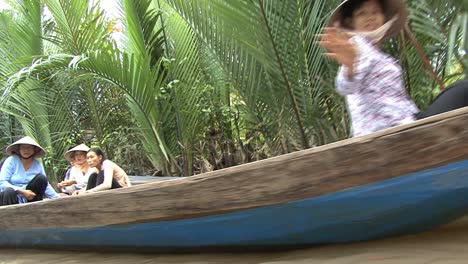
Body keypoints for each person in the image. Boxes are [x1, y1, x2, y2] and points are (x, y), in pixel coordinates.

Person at [319, 0, 468, 137]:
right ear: (351, 22)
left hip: (405, 123)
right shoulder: (358, 46)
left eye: (375, 12)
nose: (370, 17)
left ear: (383, 17)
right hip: (389, 130)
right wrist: (351, 67)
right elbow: (345, 86)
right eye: (362, 13)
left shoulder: (376, 52)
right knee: (463, 89)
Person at [0, 136, 60, 206]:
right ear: (19, 149)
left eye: (29, 148)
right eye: (23, 147)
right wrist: (21, 191)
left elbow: (46, 185)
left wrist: (57, 199)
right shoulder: (11, 160)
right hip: (10, 197)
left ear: (35, 150)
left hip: (30, 198)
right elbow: (2, 182)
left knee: (41, 178)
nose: (26, 150)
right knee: (9, 191)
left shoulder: (38, 164)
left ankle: (34, 210)